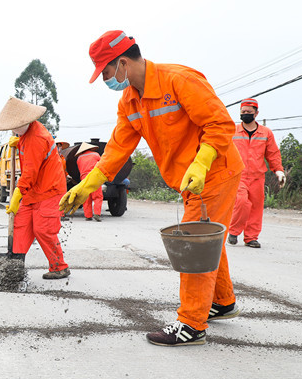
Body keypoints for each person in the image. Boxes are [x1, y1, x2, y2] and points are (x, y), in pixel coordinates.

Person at [61, 30, 244, 346]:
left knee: (195, 245)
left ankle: (191, 324)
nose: (105, 79)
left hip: (215, 172)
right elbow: (117, 150)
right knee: (207, 240)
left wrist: (201, 163)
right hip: (189, 180)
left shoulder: (179, 80)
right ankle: (223, 302)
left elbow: (220, 124)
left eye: (105, 72)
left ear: (122, 63)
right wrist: (85, 186)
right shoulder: (129, 101)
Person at [0, 97, 70, 279]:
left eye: (14, 126)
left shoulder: (37, 137)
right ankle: (14, 266)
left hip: (49, 190)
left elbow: (30, 172)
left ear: (25, 122)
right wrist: (17, 143)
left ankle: (59, 267)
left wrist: (17, 194)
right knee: (20, 224)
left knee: (43, 229)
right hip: (34, 190)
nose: (12, 130)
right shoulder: (26, 134)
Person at [227, 98, 285, 248]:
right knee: (241, 203)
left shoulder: (265, 133)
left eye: (249, 112)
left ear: (256, 113)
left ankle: (251, 237)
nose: (245, 114)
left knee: (256, 207)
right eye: (243, 112)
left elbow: (273, 154)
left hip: (257, 176)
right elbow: (223, 151)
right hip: (237, 175)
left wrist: (278, 171)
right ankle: (233, 231)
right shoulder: (232, 131)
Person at [75, 142, 103, 222]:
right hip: (94, 177)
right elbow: (101, 164)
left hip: (84, 178)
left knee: (86, 197)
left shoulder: (79, 158)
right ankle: (97, 214)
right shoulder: (96, 155)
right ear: (90, 148)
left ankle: (88, 216)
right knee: (97, 196)